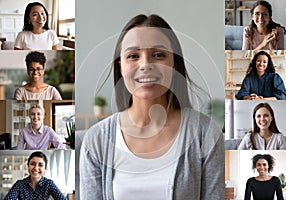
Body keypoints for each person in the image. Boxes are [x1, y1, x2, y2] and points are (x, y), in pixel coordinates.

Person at [79, 14, 224, 200]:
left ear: (174, 63)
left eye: (158, 55)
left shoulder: (206, 134)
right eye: (133, 56)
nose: (146, 64)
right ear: (120, 67)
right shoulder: (96, 140)